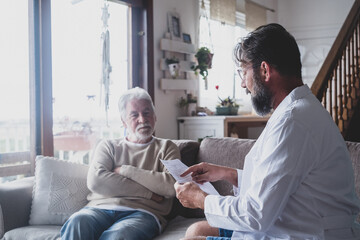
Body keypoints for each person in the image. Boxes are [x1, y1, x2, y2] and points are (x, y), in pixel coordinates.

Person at [175, 23, 360, 240]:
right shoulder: (298, 109)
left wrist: (201, 199)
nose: (244, 84)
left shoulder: (292, 122)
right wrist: (229, 174)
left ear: (264, 70)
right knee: (197, 230)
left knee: (192, 237)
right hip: (293, 222)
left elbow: (255, 214)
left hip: (304, 233)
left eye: (244, 72)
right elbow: (279, 182)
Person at [61, 87, 180, 240]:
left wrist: (125, 171)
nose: (142, 120)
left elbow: (171, 187)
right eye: (134, 115)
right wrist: (149, 193)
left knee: (119, 235)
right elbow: (96, 181)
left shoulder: (167, 148)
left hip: (144, 213)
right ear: (124, 122)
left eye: (146, 113)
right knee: (77, 222)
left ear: (155, 116)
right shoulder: (108, 146)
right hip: (99, 209)